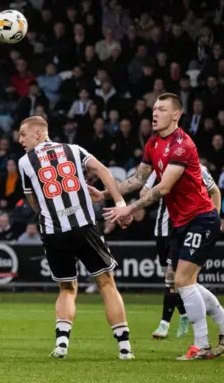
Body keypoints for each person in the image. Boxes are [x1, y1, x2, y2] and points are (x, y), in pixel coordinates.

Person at [95, 93, 224, 360]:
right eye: (153, 109)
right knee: (184, 281)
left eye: (161, 109)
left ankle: (202, 345)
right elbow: (138, 180)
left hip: (200, 218)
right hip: (180, 222)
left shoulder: (182, 145)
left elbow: (163, 188)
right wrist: (105, 194)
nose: (154, 113)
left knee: (184, 280)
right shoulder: (153, 142)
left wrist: (129, 208)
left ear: (176, 115)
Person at [17, 115, 134, 360]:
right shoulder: (74, 149)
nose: (20, 140)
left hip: (54, 230)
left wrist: (45, 213)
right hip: (84, 226)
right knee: (106, 284)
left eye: (23, 134)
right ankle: (124, 348)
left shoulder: (25, 162)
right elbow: (102, 170)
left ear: (38, 134)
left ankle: (61, 344)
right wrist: (121, 203)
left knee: (67, 287)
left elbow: (32, 199)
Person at [143, 164, 222, 339]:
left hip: (184, 230)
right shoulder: (158, 170)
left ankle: (165, 324)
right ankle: (186, 315)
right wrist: (161, 190)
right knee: (172, 280)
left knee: (174, 280)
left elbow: (215, 191)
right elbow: (143, 193)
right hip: (162, 232)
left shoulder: (198, 168)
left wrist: (215, 223)